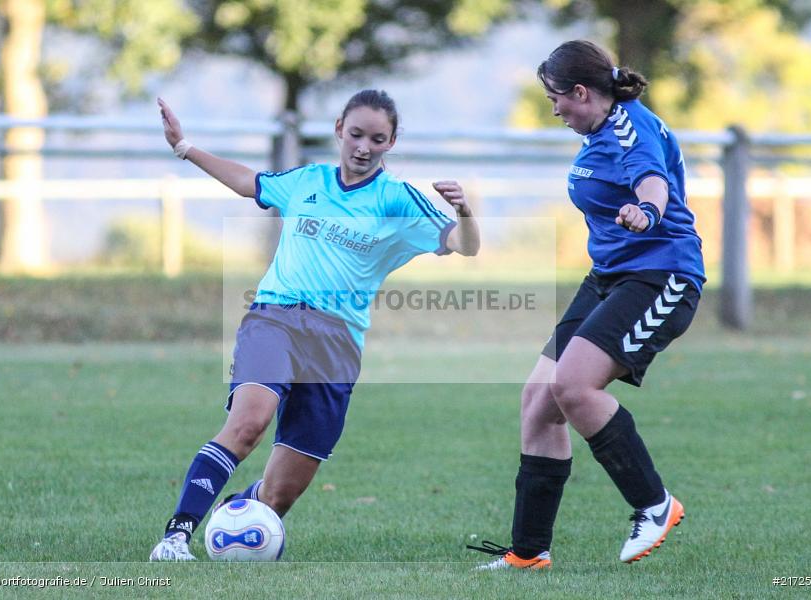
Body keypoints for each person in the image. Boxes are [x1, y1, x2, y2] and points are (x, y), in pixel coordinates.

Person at [149, 89, 480, 561]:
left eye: (378, 138)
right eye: (357, 134)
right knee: (248, 424)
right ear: (339, 129)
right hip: (276, 318)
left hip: (337, 343)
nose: (364, 146)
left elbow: (464, 246)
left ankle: (238, 516)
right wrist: (185, 148)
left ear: (391, 142)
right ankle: (176, 536)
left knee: (280, 495)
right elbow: (250, 182)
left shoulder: (399, 200)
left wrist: (465, 212)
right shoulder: (307, 180)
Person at [471, 40, 705, 570]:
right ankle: (527, 554)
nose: (554, 110)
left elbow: (651, 178)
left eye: (556, 98)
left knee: (573, 387)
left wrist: (647, 209)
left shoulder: (628, 126)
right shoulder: (597, 129)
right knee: (538, 399)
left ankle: (654, 504)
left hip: (661, 275)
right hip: (608, 278)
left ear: (581, 92)